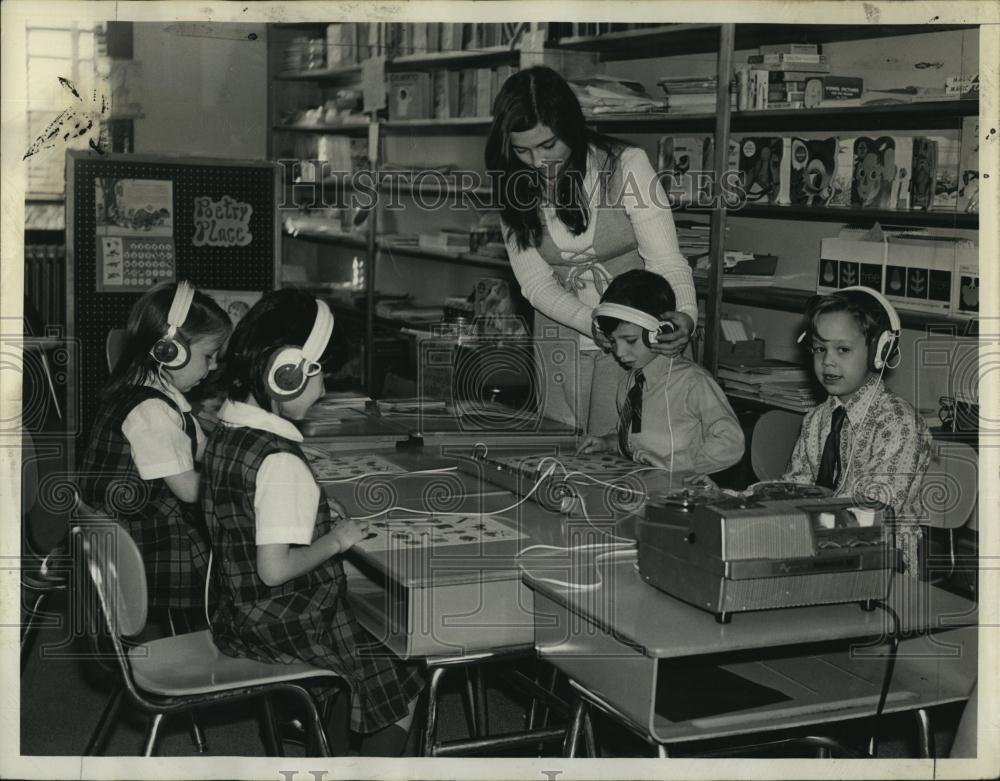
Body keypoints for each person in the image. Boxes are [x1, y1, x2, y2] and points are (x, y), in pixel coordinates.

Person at [201, 289, 423, 755]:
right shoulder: (282, 462)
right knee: (404, 669)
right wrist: (337, 539)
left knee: (371, 645)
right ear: (287, 374)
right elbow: (274, 570)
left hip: (237, 616)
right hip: (288, 624)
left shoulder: (228, 430)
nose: (324, 390)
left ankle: (330, 744)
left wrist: (317, 516)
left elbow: (251, 514)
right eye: (320, 375)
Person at [486, 65, 698, 436]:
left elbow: (665, 259)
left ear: (570, 126)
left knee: (640, 451)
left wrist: (686, 312)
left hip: (639, 338)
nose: (538, 162)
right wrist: (592, 322)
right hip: (563, 340)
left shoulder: (626, 165)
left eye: (548, 145)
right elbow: (535, 282)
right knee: (569, 456)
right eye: (522, 150)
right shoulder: (511, 183)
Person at [78, 280, 230, 615]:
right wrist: (242, 484)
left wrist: (244, 452)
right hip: (147, 548)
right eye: (209, 355)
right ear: (170, 350)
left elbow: (201, 448)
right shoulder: (151, 411)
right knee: (242, 545)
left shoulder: (147, 389)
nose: (215, 365)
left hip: (122, 539)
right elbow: (191, 490)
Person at [781, 286, 932, 574]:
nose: (828, 361)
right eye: (819, 348)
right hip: (818, 549)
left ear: (879, 351)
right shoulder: (817, 419)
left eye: (843, 349)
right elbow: (794, 488)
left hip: (881, 564)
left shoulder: (898, 423)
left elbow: (870, 516)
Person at [576, 270, 744, 476]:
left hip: (683, 491)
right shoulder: (630, 383)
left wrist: (675, 464)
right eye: (613, 341)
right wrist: (609, 442)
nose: (619, 353)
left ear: (660, 332)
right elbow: (634, 437)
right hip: (642, 485)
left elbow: (731, 443)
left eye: (630, 341)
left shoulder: (692, 382)